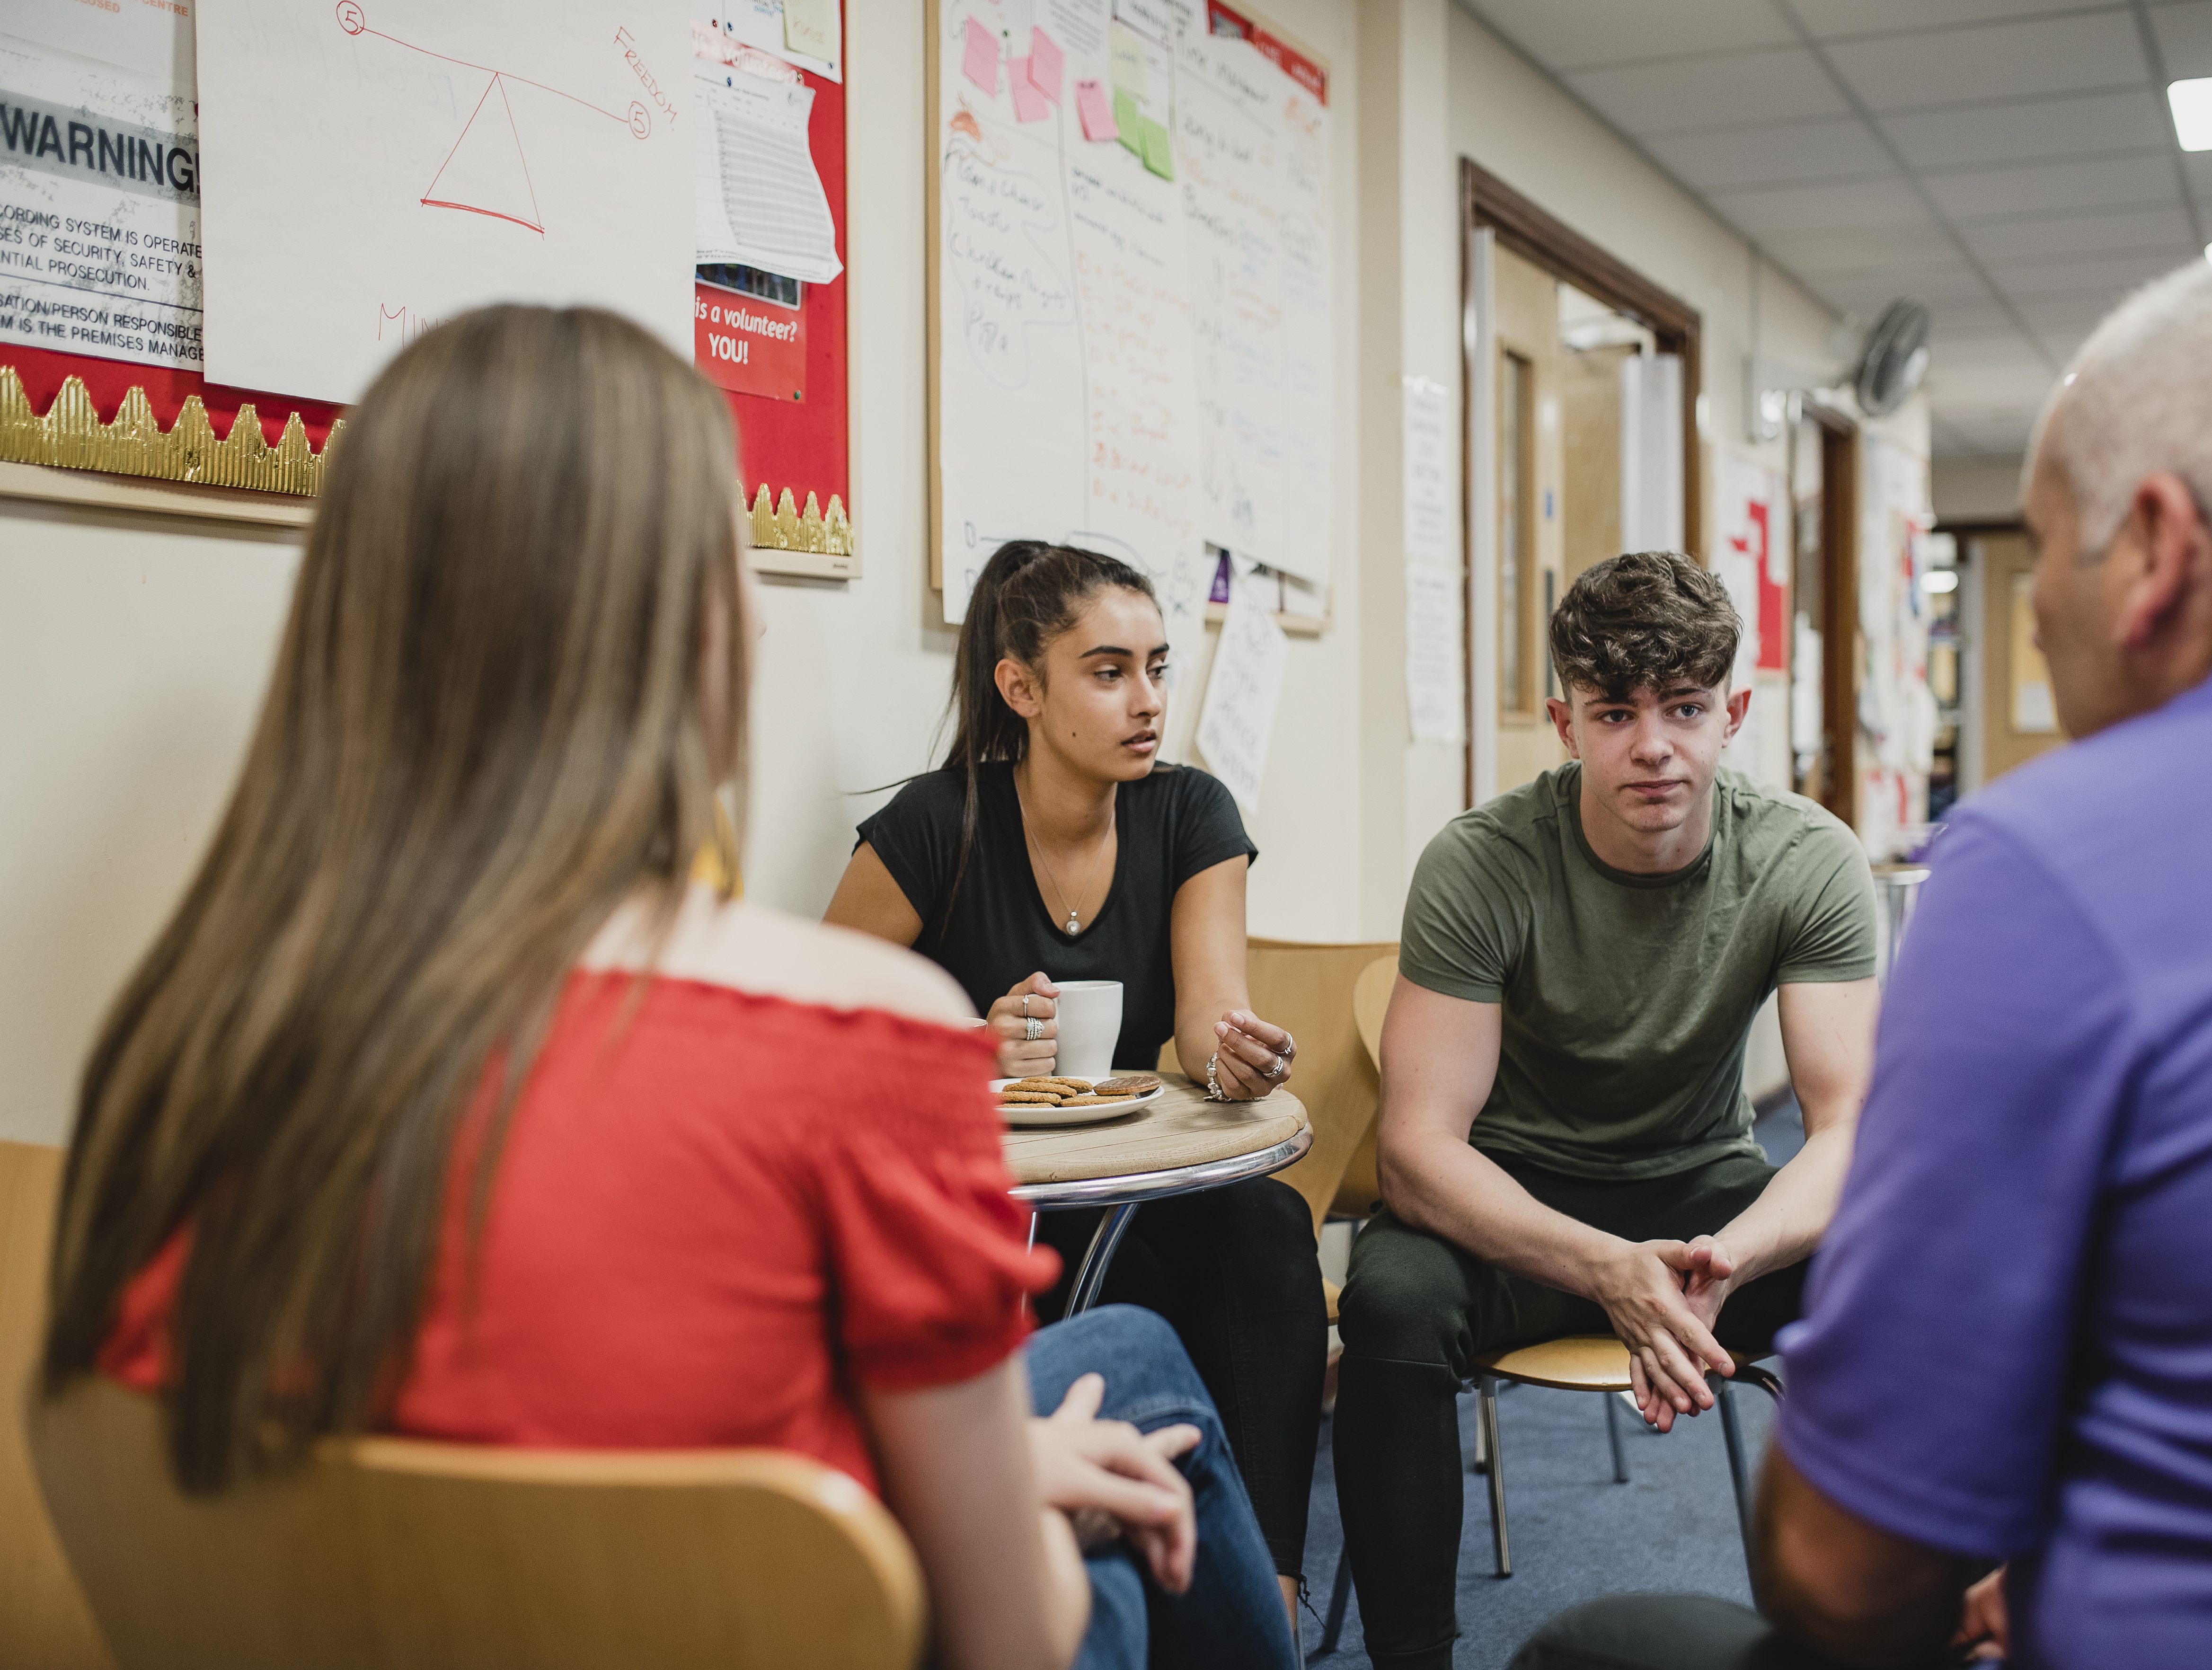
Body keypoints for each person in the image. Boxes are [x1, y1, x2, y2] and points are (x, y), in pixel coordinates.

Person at [39, 306, 1298, 1670]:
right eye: (728, 561)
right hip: (757, 1612)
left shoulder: (171, 1049)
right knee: (1139, 1375)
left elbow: (525, 1464)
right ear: (683, 635)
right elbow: (1011, 1635)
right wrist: (986, 1492)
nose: (759, 615)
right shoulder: (864, 1035)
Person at [1507, 262, 2212, 1670]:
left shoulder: (2069, 860)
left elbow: (1845, 1574)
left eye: (2042, 555)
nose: (2032, 617)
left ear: (2153, 548)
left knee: (1605, 1645)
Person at [1333, 551, 1882, 1670]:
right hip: (1515, 1202)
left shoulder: (1804, 858)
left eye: (1684, 709)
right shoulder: (1480, 861)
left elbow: (1849, 1134)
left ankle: (1878, 1635)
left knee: (1899, 1268)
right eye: (1614, 711)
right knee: (1391, 1300)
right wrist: (1604, 1267)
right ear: (1563, 720)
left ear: (1731, 712)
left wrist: (1729, 1256)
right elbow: (1417, 1153)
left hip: (1707, 1195)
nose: (1652, 746)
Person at [824, 541, 1323, 1619]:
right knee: (1111, 1286)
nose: (1147, 702)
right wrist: (963, 1045)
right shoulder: (933, 821)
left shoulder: (1190, 811)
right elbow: (822, 1039)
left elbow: (1204, 1016)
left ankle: (1268, 1599)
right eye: (1108, 672)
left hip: (1135, 1188)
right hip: (985, 1202)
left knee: (1266, 1229)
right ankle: (1087, 1575)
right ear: (1022, 687)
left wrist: (1229, 1051)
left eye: (1157, 667)